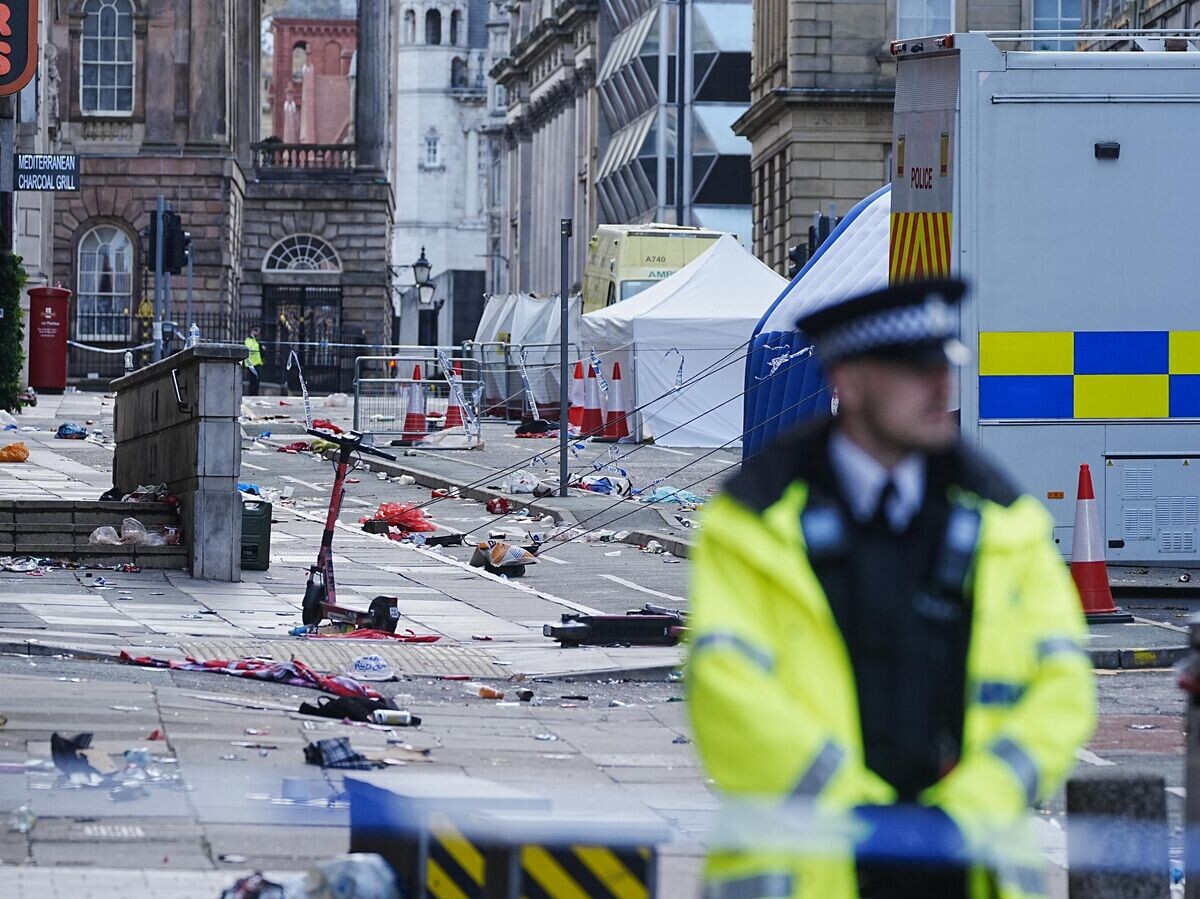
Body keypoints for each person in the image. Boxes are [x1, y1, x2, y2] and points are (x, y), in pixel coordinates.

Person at [688, 278, 1095, 899]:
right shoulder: (750, 526)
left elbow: (1062, 690)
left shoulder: (1006, 524)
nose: (941, 386)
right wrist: (856, 813)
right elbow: (725, 691)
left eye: (945, 365)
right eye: (913, 369)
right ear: (847, 384)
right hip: (812, 874)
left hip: (966, 867)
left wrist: (967, 810)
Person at [244, 327, 263, 396]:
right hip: (250, 364)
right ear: (252, 331)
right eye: (256, 330)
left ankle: (255, 394)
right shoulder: (248, 340)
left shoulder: (256, 340)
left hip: (257, 363)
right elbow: (251, 349)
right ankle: (252, 394)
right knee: (253, 381)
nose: (258, 332)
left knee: (256, 381)